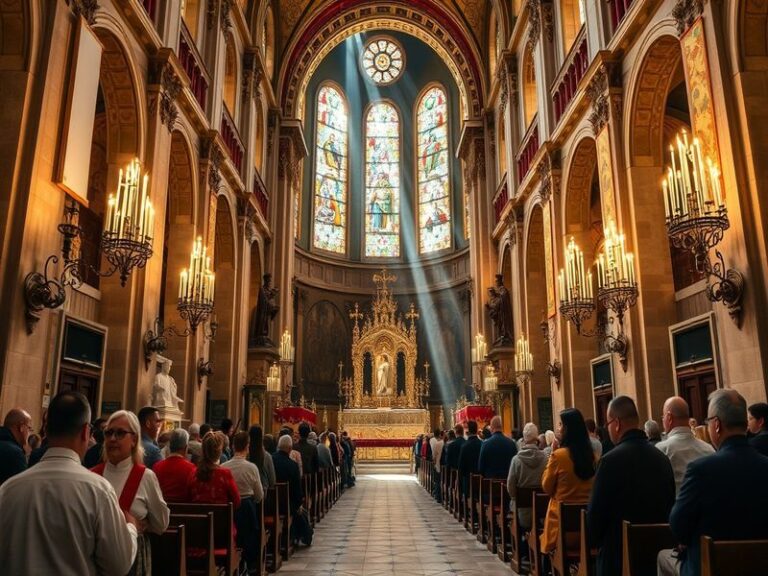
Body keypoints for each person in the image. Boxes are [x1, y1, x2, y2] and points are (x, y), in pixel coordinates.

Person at [0, 391, 138, 574]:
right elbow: (119, 565)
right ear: (85, 432)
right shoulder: (98, 490)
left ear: (46, 430)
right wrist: (131, 529)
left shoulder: (8, 489)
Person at [658, 389, 768, 576]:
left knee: (663, 557)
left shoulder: (700, 469)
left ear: (716, 425)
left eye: (708, 422)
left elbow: (678, 526)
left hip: (710, 566)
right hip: (761, 566)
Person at [587, 396, 675, 576]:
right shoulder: (662, 459)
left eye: (608, 422)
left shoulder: (610, 461)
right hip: (656, 557)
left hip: (617, 559)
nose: (607, 428)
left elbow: (595, 519)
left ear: (617, 423)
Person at [93, 410, 170, 575]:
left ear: (134, 439)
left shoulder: (145, 477)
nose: (113, 438)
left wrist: (144, 524)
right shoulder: (92, 476)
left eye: (120, 433)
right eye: (109, 433)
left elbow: (161, 524)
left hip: (133, 561)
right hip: (94, 560)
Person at [540, 408, 595, 554]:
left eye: (560, 424)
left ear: (567, 429)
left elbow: (546, 487)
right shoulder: (593, 457)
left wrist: (552, 453)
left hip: (562, 530)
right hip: (588, 529)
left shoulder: (559, 456)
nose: (558, 428)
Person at [655, 396, 715, 492]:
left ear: (669, 417)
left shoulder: (660, 450)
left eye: (663, 417)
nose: (662, 420)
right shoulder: (709, 449)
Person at [224, 431, 264, 573]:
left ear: (234, 447)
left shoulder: (224, 467)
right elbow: (259, 496)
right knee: (250, 534)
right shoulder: (251, 468)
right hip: (247, 509)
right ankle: (251, 564)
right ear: (247, 447)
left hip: (228, 512)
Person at [507, 422, 547, 531]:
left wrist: (515, 498)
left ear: (524, 439)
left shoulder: (516, 460)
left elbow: (511, 486)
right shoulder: (546, 459)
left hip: (522, 512)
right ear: (537, 438)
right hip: (543, 512)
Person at [188, 432, 241, 509]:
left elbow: (188, 498)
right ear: (219, 452)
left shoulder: (193, 473)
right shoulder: (225, 474)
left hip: (198, 519)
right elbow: (237, 501)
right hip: (221, 519)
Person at [153, 428, 197, 502]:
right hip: (184, 511)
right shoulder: (192, 469)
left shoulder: (157, 467)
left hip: (162, 511)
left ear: (170, 446)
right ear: (186, 448)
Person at [273, 435, 304, 527]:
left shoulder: (270, 459)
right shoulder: (293, 465)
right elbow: (297, 488)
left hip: (271, 503)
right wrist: (299, 503)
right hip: (287, 504)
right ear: (290, 448)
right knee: (301, 515)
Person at [0, 407, 31, 485]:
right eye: (29, 428)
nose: (29, 433)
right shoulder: (15, 454)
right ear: (21, 427)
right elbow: (21, 488)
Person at [248, 424, 276, 490]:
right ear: (261, 437)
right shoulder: (267, 456)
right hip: (263, 490)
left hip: (247, 490)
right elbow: (272, 480)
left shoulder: (246, 455)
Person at [458, 420, 482, 497]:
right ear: (477, 429)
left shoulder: (465, 446)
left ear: (467, 431)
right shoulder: (482, 444)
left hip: (468, 481)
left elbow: (461, 466)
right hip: (481, 480)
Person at [430, 429, 445, 501]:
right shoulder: (443, 443)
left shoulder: (437, 443)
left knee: (438, 480)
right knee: (440, 480)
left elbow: (434, 455)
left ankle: (438, 496)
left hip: (438, 464)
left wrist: (434, 461)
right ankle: (440, 496)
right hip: (443, 464)